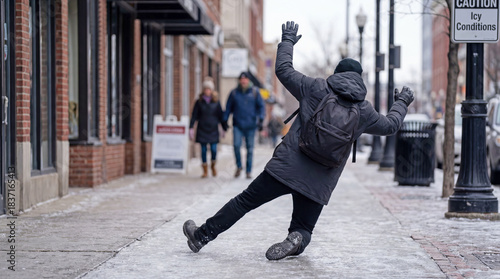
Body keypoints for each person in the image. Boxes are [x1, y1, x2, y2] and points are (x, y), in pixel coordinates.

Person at [183, 21, 414, 260]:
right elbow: (390, 126)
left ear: (337, 73)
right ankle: (295, 239)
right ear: (359, 79)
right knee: (304, 227)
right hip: (319, 181)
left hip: (286, 168)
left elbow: (283, 69)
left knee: (244, 202)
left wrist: (288, 41)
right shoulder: (364, 111)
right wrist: (402, 102)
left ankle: (202, 235)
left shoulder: (315, 87)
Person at [223, 71, 266, 179]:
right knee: (236, 146)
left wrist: (261, 120)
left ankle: (248, 171)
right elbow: (228, 108)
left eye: (245, 79)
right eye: (241, 79)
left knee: (250, 149)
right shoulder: (234, 93)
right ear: (239, 80)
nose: (243, 81)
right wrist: (224, 120)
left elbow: (261, 107)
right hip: (238, 125)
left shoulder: (255, 92)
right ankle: (238, 166)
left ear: (248, 80)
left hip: (251, 125)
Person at [189, 77, 228, 178]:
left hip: (213, 129)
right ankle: (205, 170)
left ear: (212, 90)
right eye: (205, 89)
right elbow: (194, 115)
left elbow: (221, 116)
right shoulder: (199, 102)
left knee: (214, 149)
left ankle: (213, 166)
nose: (207, 91)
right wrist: (191, 127)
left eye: (209, 89)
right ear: (203, 90)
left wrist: (224, 128)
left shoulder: (216, 102)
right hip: (202, 129)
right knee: (203, 150)